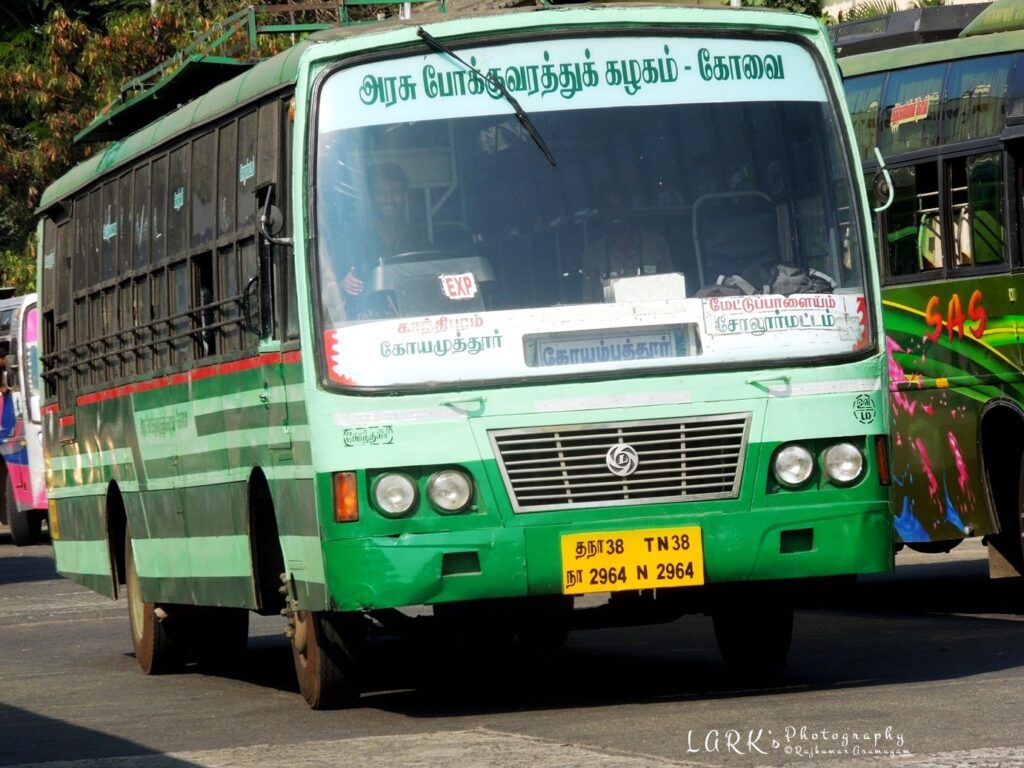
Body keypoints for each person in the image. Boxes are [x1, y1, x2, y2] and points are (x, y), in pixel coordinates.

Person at [582, 187, 672, 301]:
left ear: (630, 208)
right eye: (609, 207)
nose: (615, 211)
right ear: (601, 212)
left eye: (620, 205)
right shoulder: (592, 255)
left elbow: (671, 289)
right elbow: (590, 300)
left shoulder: (656, 244)